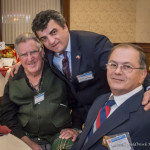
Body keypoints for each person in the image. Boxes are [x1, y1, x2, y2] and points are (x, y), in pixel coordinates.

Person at [11, 10, 150, 137]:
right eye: (44, 38)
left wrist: (149, 87)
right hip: (80, 114)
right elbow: (36, 58)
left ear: (65, 26)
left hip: (109, 109)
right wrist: (21, 63)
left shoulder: (94, 44)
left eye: (54, 32)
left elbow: (122, 67)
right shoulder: (48, 52)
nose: (51, 41)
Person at [0, 33, 75, 150]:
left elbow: (78, 103)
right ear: (18, 57)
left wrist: (75, 128)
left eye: (33, 52)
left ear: (42, 52)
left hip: (59, 134)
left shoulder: (58, 71)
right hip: (25, 135)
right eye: (24, 54)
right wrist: (27, 141)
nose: (30, 58)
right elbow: (7, 116)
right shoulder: (14, 80)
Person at [70, 43, 150, 150]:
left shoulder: (146, 117)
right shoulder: (100, 100)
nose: (117, 71)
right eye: (113, 64)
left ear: (142, 74)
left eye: (127, 66)